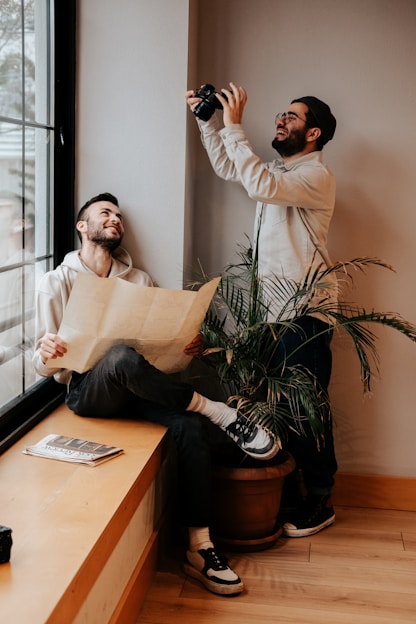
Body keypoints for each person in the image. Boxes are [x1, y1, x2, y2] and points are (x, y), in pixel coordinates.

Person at [32, 192, 281, 596]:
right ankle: (217, 411)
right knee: (118, 357)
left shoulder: (139, 281)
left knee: (190, 429)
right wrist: (45, 354)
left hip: (139, 389)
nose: (115, 219)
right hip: (87, 393)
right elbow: (46, 368)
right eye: (104, 214)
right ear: (83, 227)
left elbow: (159, 360)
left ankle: (200, 547)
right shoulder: (55, 282)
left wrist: (184, 346)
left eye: (119, 216)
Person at [185, 83, 338, 538]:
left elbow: (259, 183)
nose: (280, 119)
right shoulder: (277, 171)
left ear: (312, 133)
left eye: (291, 117)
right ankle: (290, 494)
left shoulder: (315, 177)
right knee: (279, 407)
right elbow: (230, 166)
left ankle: (321, 499)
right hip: (272, 314)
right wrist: (208, 120)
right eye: (282, 113)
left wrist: (235, 126)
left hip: (304, 313)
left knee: (308, 407)